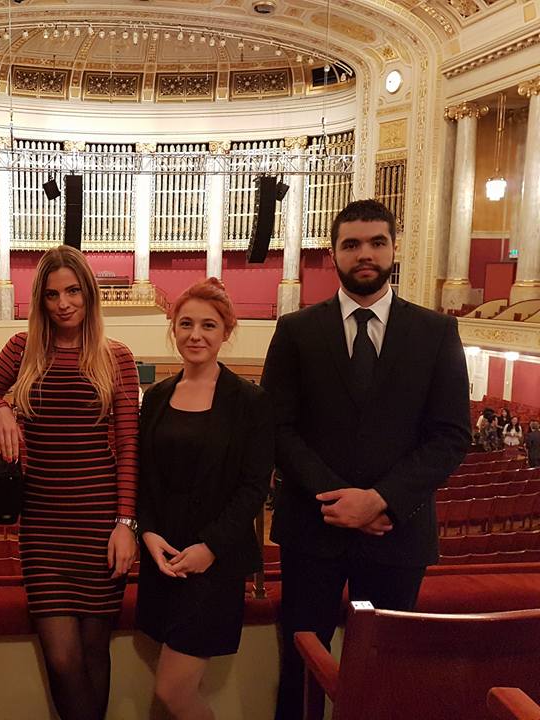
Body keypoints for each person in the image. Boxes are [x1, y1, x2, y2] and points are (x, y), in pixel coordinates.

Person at [260, 199, 470, 720]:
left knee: (387, 674)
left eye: (377, 242)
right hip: (313, 530)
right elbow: (277, 428)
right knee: (300, 670)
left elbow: (450, 436)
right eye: (351, 244)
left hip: (396, 532)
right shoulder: (295, 330)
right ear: (333, 254)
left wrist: (380, 500)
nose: (365, 254)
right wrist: (338, 501)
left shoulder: (436, 332)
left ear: (395, 248)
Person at [0, 245, 140, 720]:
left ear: (89, 294)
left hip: (99, 525)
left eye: (73, 291)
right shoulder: (22, 348)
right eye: (52, 295)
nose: (63, 304)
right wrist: (0, 407)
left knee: (95, 653)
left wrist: (125, 524)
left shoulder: (116, 357)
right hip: (43, 527)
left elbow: (128, 447)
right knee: (63, 659)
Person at [137, 278, 274, 719]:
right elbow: (145, 478)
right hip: (163, 560)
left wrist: (210, 547)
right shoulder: (156, 397)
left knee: (173, 690)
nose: (195, 335)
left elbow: (253, 487)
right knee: (166, 690)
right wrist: (148, 533)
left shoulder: (250, 401)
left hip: (213, 565)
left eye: (208, 325)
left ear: (226, 332)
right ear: (173, 328)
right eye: (186, 324)